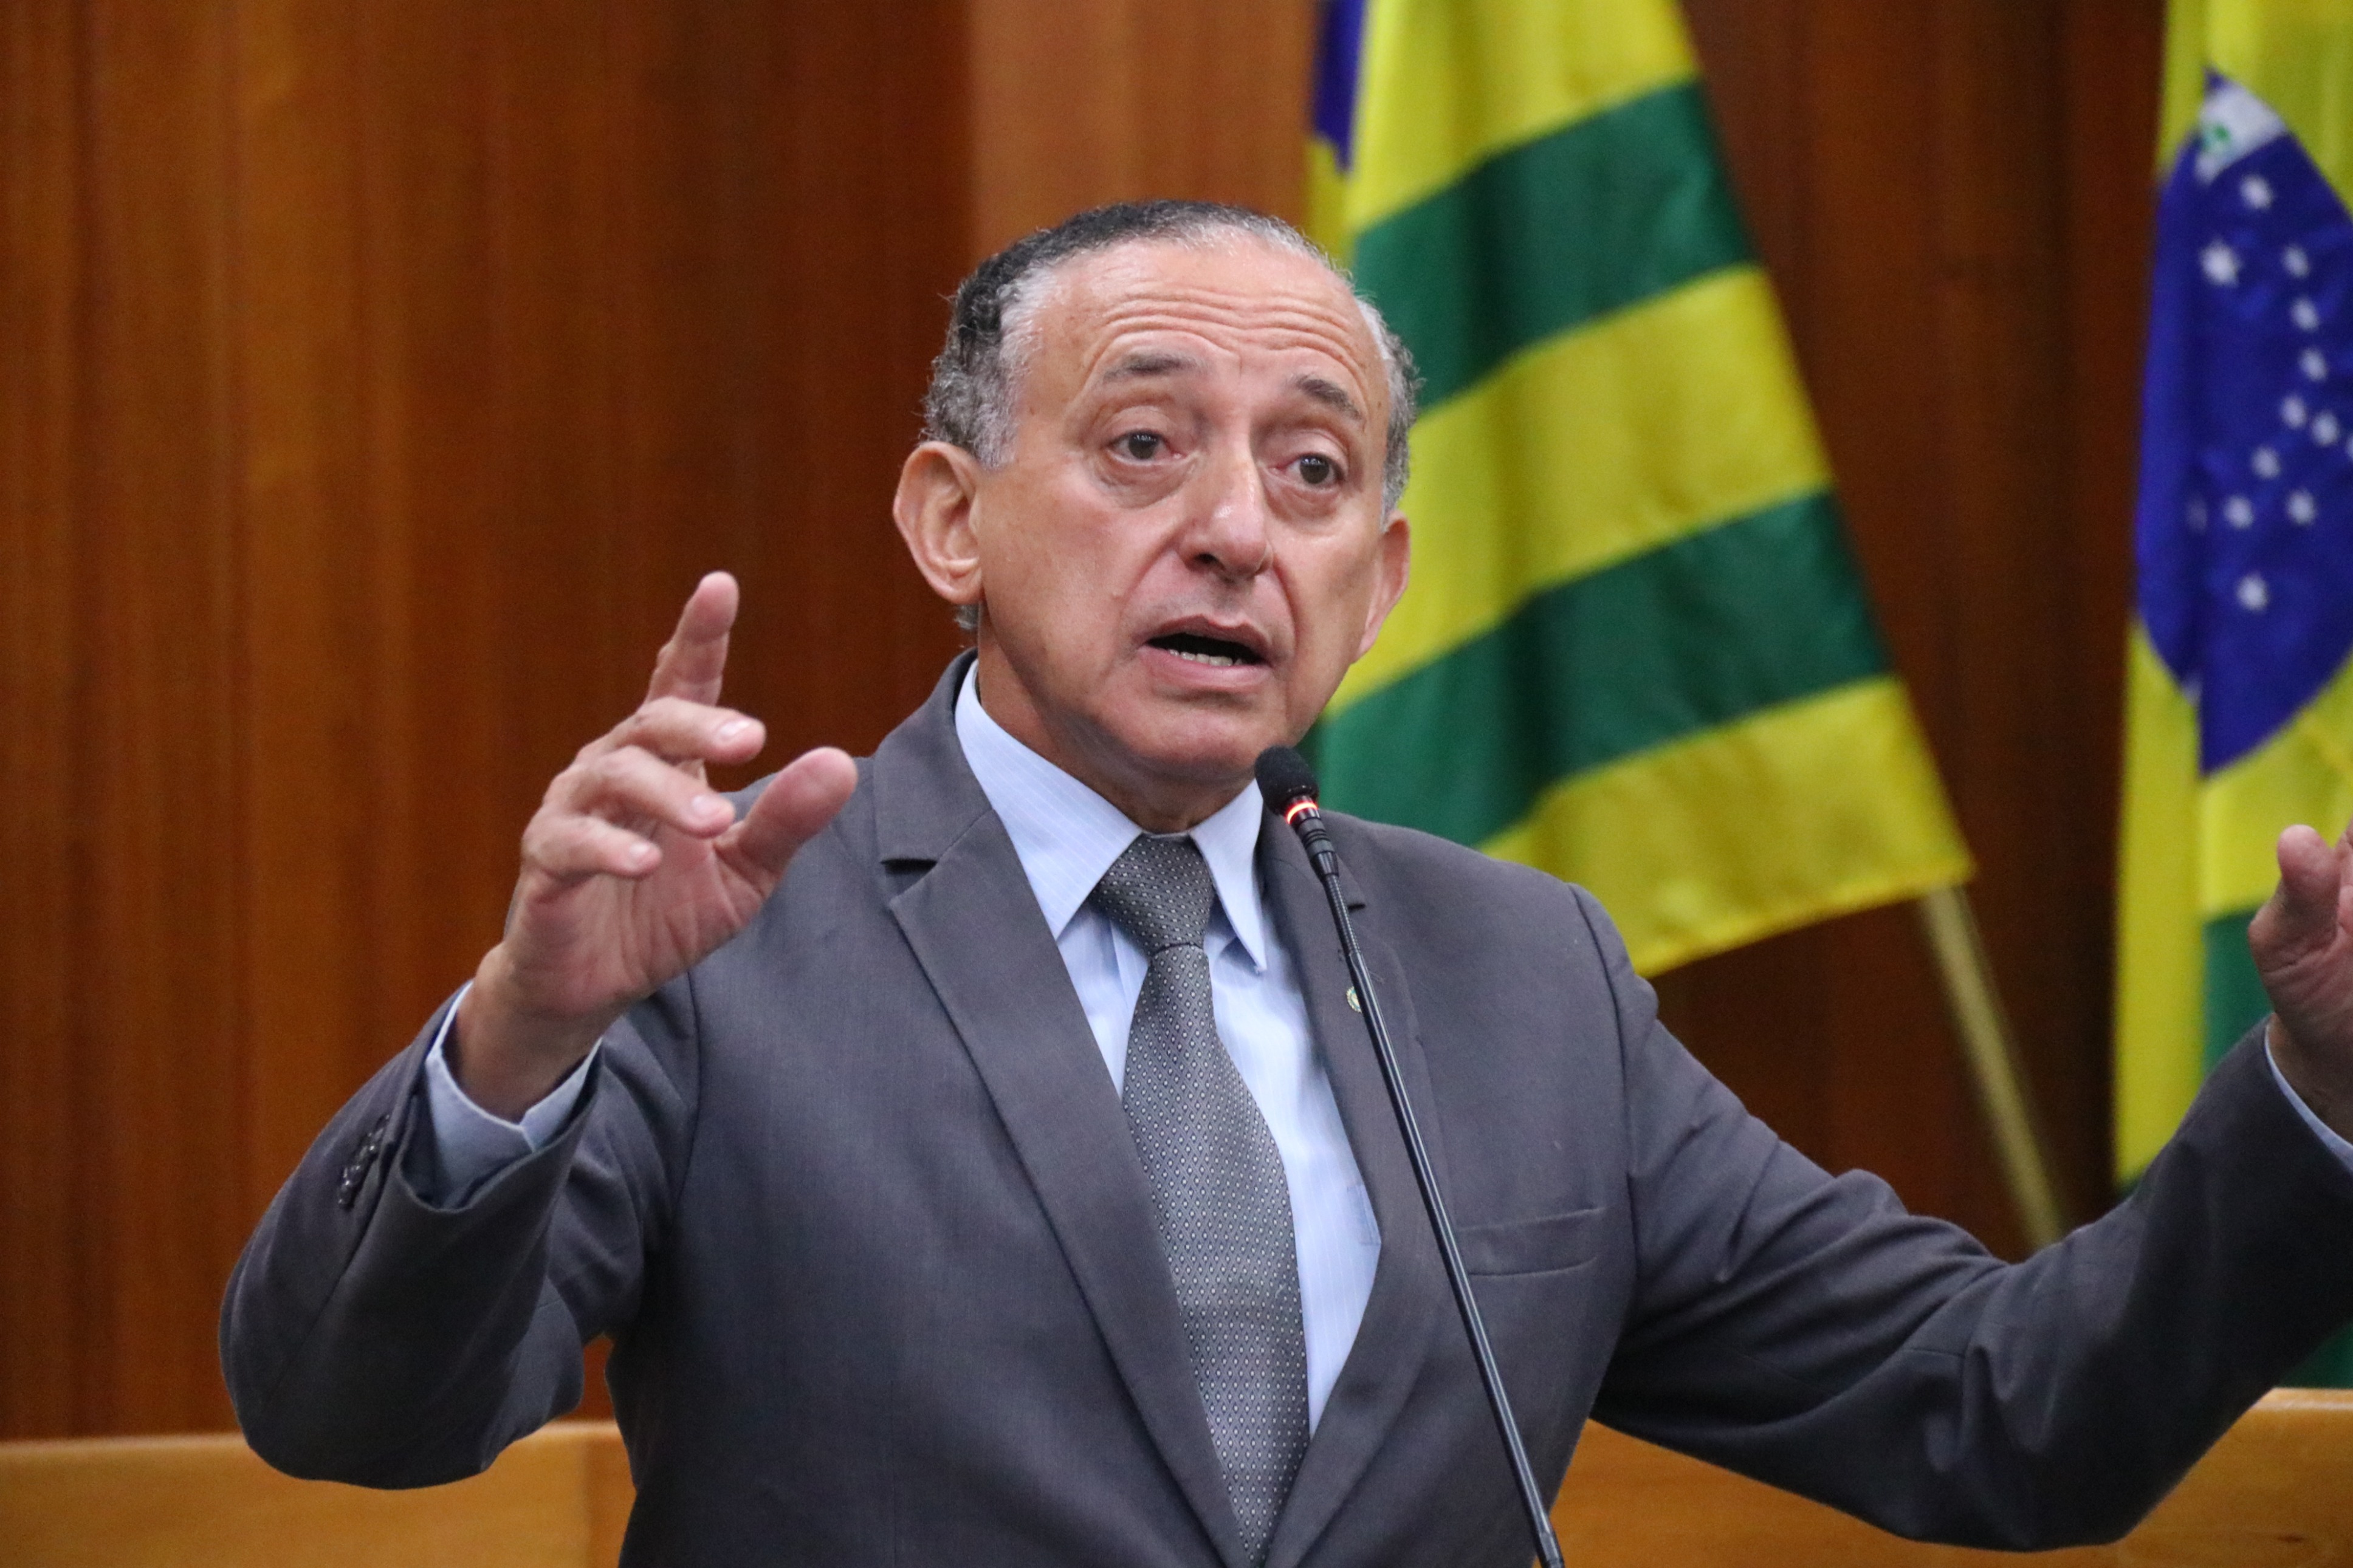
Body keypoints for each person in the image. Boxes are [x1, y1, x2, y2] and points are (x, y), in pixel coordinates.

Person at [222, 201, 2353, 1568]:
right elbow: (356, 1422)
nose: (1239, 529)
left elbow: (2003, 1418)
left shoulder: (1519, 971)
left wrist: (2322, 1092)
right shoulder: (719, 931)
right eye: (1145, 444)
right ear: (952, 520)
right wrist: (524, 1040)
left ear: (1380, 581)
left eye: (1313, 471)